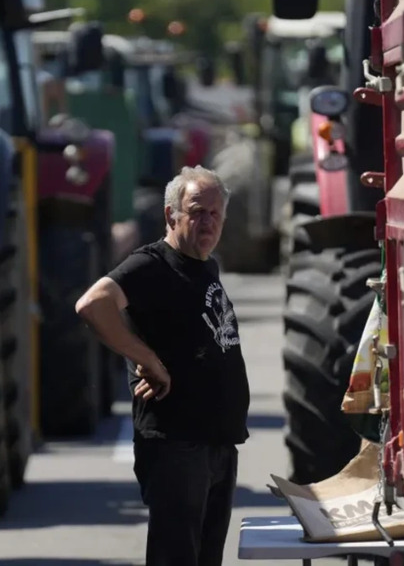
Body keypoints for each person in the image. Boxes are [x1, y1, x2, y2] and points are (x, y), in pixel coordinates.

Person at [75, 165, 250, 566]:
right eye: (196, 211)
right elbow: (92, 305)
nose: (206, 221)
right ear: (172, 215)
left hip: (216, 445)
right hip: (177, 445)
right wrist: (147, 359)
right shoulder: (153, 264)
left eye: (214, 214)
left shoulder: (204, 264)